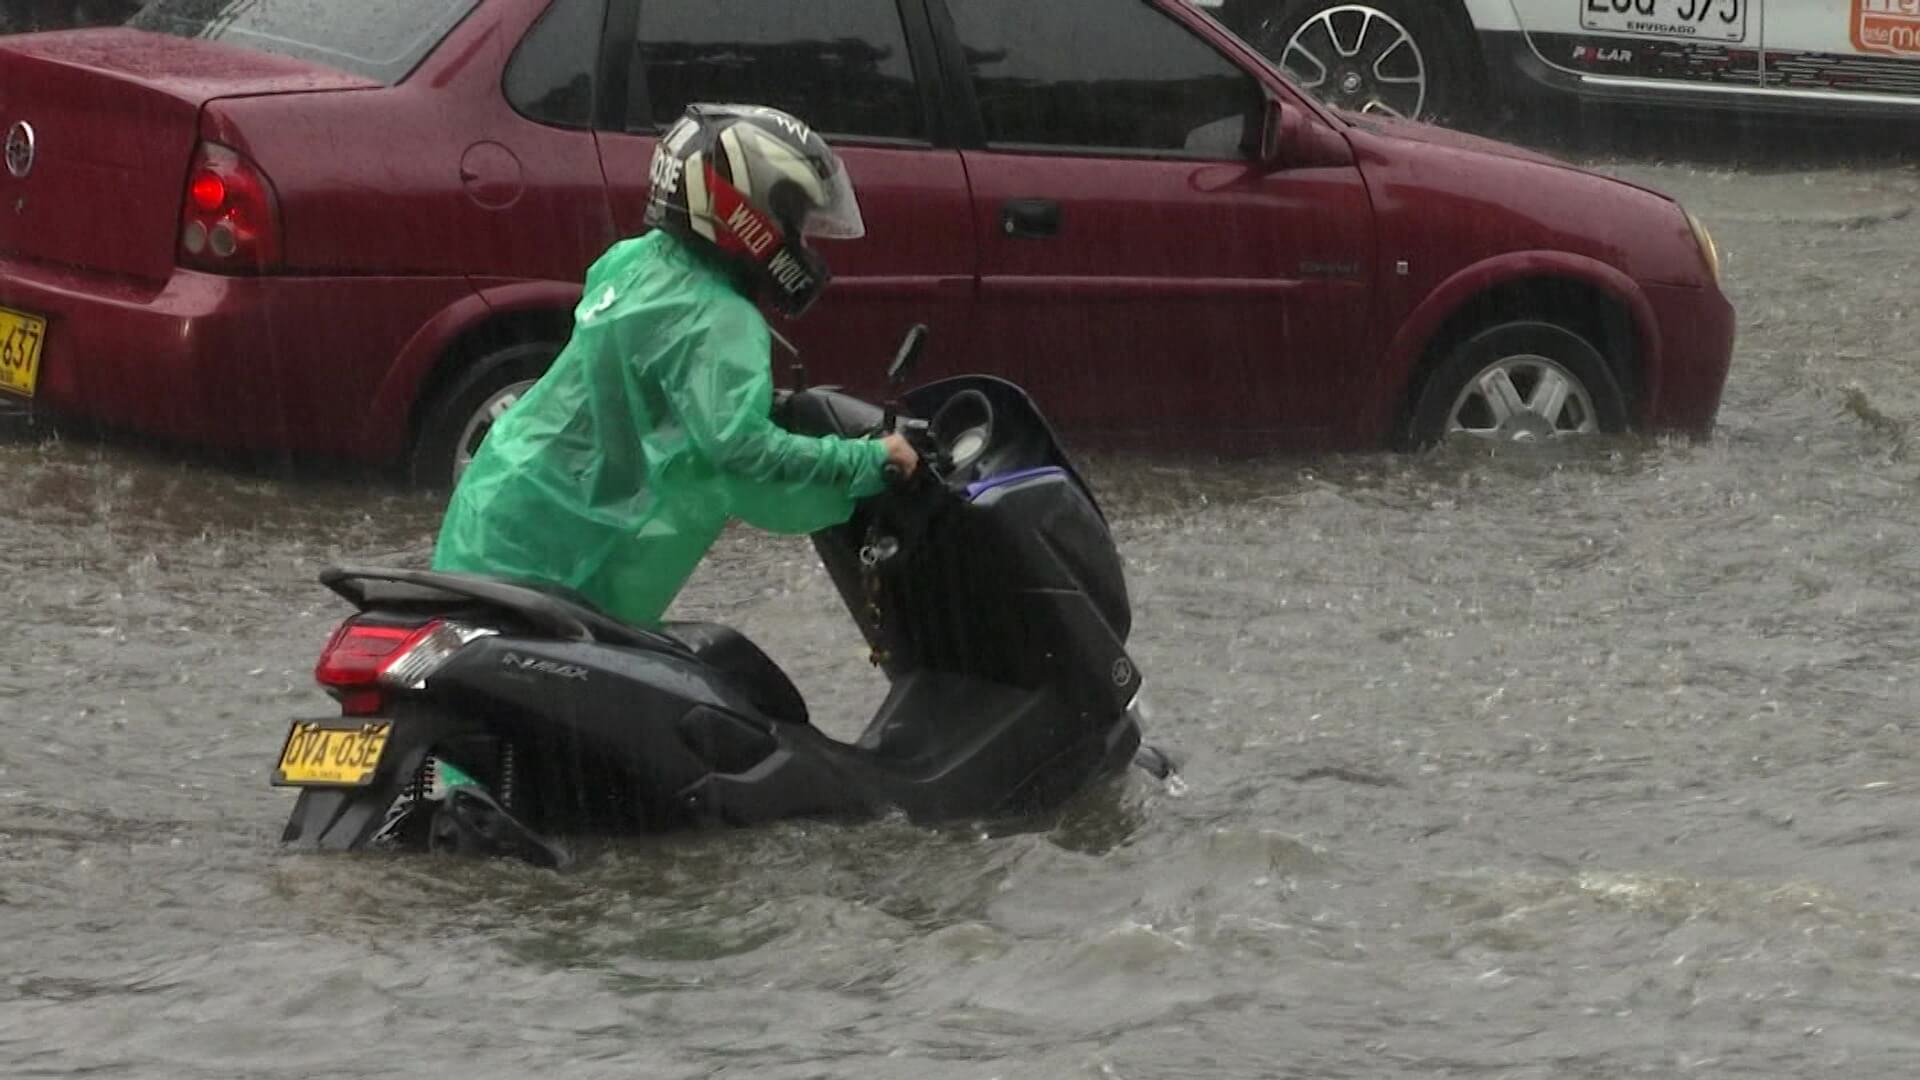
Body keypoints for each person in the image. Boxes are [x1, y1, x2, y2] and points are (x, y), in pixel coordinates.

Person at [432, 104, 918, 627]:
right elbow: (742, 454)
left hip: (496, 507)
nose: (802, 245)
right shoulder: (721, 319)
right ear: (747, 213)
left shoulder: (635, 260)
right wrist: (872, 461)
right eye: (794, 223)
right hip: (554, 559)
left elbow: (638, 384)